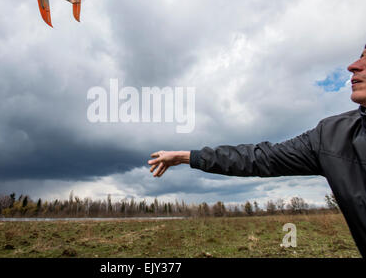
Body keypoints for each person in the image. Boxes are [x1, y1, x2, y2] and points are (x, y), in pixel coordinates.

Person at [148, 45, 366, 257]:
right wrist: (187, 156)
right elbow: (258, 158)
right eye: (360, 56)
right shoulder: (331, 136)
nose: (353, 66)